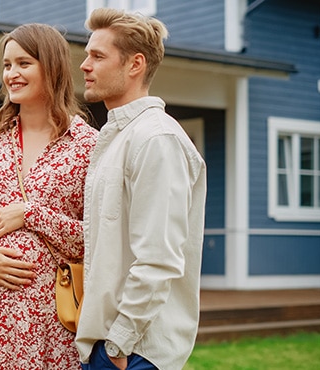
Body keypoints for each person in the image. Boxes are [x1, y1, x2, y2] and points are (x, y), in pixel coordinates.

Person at [0, 23, 98, 369]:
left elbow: (97, 238)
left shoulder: (88, 145)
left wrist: (31, 214)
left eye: (24, 64)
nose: (12, 74)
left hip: (52, 324)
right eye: (7, 65)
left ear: (53, 67)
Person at [75, 8, 207, 370]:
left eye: (98, 56)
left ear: (135, 65)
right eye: (87, 55)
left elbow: (159, 257)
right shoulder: (117, 136)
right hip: (109, 345)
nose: (85, 65)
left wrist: (119, 343)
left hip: (135, 352)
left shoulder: (155, 139)